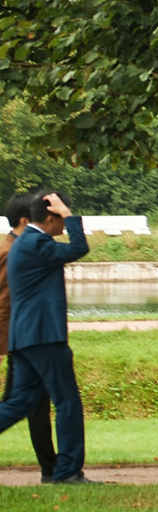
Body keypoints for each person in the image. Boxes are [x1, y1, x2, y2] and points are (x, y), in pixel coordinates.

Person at [0, 191, 94, 483]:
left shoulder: (22, 243)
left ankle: (64, 471)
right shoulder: (37, 243)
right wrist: (70, 215)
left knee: (21, 402)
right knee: (67, 402)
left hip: (25, 338)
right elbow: (79, 248)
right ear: (50, 217)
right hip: (43, 337)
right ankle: (67, 472)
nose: (64, 226)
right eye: (61, 219)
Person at [0, 195, 57, 480]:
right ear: (25, 221)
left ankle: (51, 468)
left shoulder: (9, 246)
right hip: (20, 341)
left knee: (31, 405)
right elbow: (6, 302)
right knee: (20, 404)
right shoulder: (14, 252)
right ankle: (51, 469)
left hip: (20, 339)